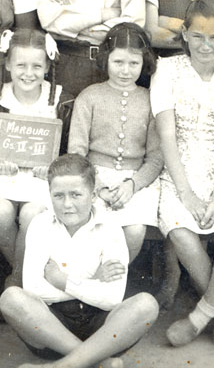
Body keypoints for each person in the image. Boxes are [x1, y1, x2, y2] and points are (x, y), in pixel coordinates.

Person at [153, 0, 214, 348]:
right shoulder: (165, 70)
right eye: (197, 36)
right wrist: (187, 194)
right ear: (185, 35)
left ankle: (201, 314)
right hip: (177, 172)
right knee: (181, 234)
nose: (206, 45)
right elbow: (167, 135)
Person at [0, 154, 159, 368]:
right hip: (51, 328)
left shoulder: (110, 226)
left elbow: (112, 299)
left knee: (146, 305)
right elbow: (34, 289)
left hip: (102, 328)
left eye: (76, 195)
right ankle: (96, 361)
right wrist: (94, 280)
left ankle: (63, 366)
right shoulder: (39, 225)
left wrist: (62, 280)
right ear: (49, 195)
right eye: (58, 196)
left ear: (93, 195)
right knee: (11, 298)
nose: (67, 204)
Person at [0, 28, 74, 287]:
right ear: (8, 63)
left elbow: (67, 149)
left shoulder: (60, 101)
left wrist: (54, 169)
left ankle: (18, 278)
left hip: (42, 179)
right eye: (21, 65)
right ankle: (24, 271)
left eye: (36, 66)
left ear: (46, 67)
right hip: (3, 176)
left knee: (32, 214)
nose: (28, 73)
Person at [68, 23, 163, 263]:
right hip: (92, 176)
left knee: (135, 230)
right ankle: (87, 280)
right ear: (105, 60)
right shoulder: (89, 96)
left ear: (144, 64)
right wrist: (97, 186)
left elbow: (155, 158)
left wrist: (133, 185)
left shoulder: (150, 100)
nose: (125, 71)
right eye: (118, 62)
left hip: (136, 180)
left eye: (134, 64)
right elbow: (77, 153)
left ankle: (112, 283)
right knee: (93, 226)